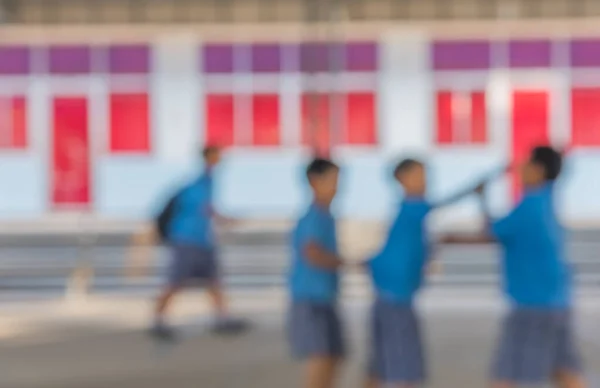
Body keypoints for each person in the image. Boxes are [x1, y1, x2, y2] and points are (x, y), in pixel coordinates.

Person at [442, 146, 586, 388]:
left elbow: (491, 232)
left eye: (527, 164)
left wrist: (454, 232)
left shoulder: (530, 207)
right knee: (564, 369)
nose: (521, 168)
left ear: (539, 170)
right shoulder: (548, 198)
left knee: (508, 375)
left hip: (532, 305)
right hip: (558, 300)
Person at [364, 158, 489, 388]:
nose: (424, 182)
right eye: (418, 176)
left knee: (381, 365)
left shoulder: (409, 213)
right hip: (395, 298)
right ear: (402, 179)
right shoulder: (413, 209)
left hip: (391, 295)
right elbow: (442, 204)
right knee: (404, 366)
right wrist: (472, 190)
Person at [138, 145, 246, 340]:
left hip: (201, 241)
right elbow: (203, 210)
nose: (221, 159)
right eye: (217, 155)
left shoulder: (206, 182)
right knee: (175, 282)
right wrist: (223, 219)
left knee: (213, 281)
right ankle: (157, 319)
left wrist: (223, 219)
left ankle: (222, 317)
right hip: (189, 241)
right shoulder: (199, 184)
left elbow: (207, 210)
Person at [288, 158, 346, 388]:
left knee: (333, 356)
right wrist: (346, 262)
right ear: (314, 182)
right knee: (320, 357)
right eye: (331, 180)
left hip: (325, 298)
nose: (336, 186)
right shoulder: (312, 217)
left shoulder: (326, 216)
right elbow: (311, 253)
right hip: (309, 299)